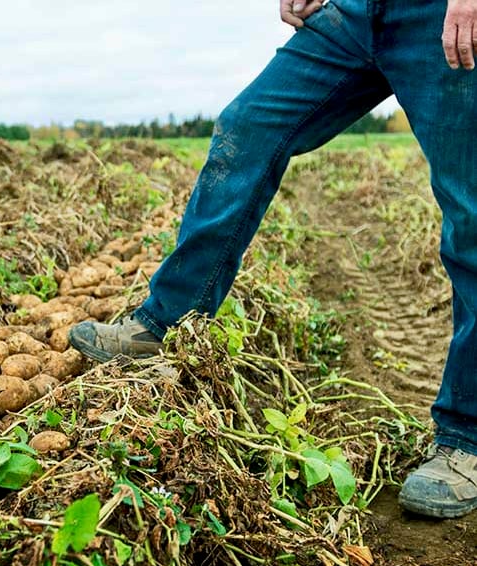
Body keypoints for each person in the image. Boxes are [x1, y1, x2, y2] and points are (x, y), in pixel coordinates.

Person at [68, 0, 477, 519]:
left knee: (471, 213)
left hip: (441, 12)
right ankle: (164, 324)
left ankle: (466, 438)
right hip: (356, 13)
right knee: (248, 127)